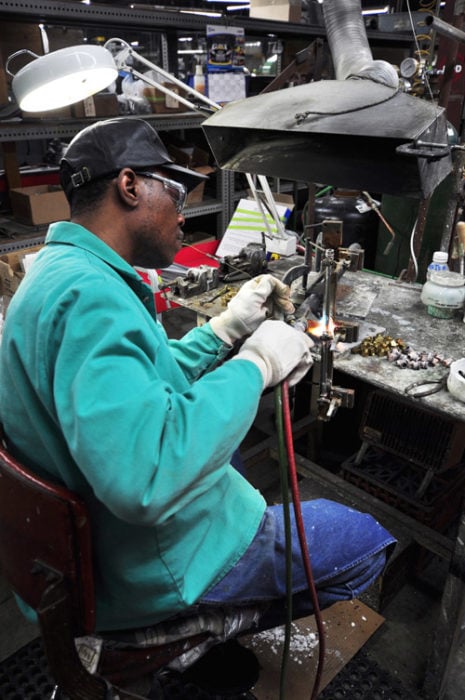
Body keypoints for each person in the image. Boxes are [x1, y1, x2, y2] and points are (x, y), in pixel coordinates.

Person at [0, 118, 395, 647]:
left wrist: (223, 330)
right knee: (367, 544)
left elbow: (143, 382)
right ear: (130, 185)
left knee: (225, 455)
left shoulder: (61, 271)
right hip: (145, 567)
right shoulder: (92, 301)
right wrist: (256, 364)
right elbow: (146, 482)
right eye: (177, 194)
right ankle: (188, 627)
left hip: (95, 542)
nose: (183, 215)